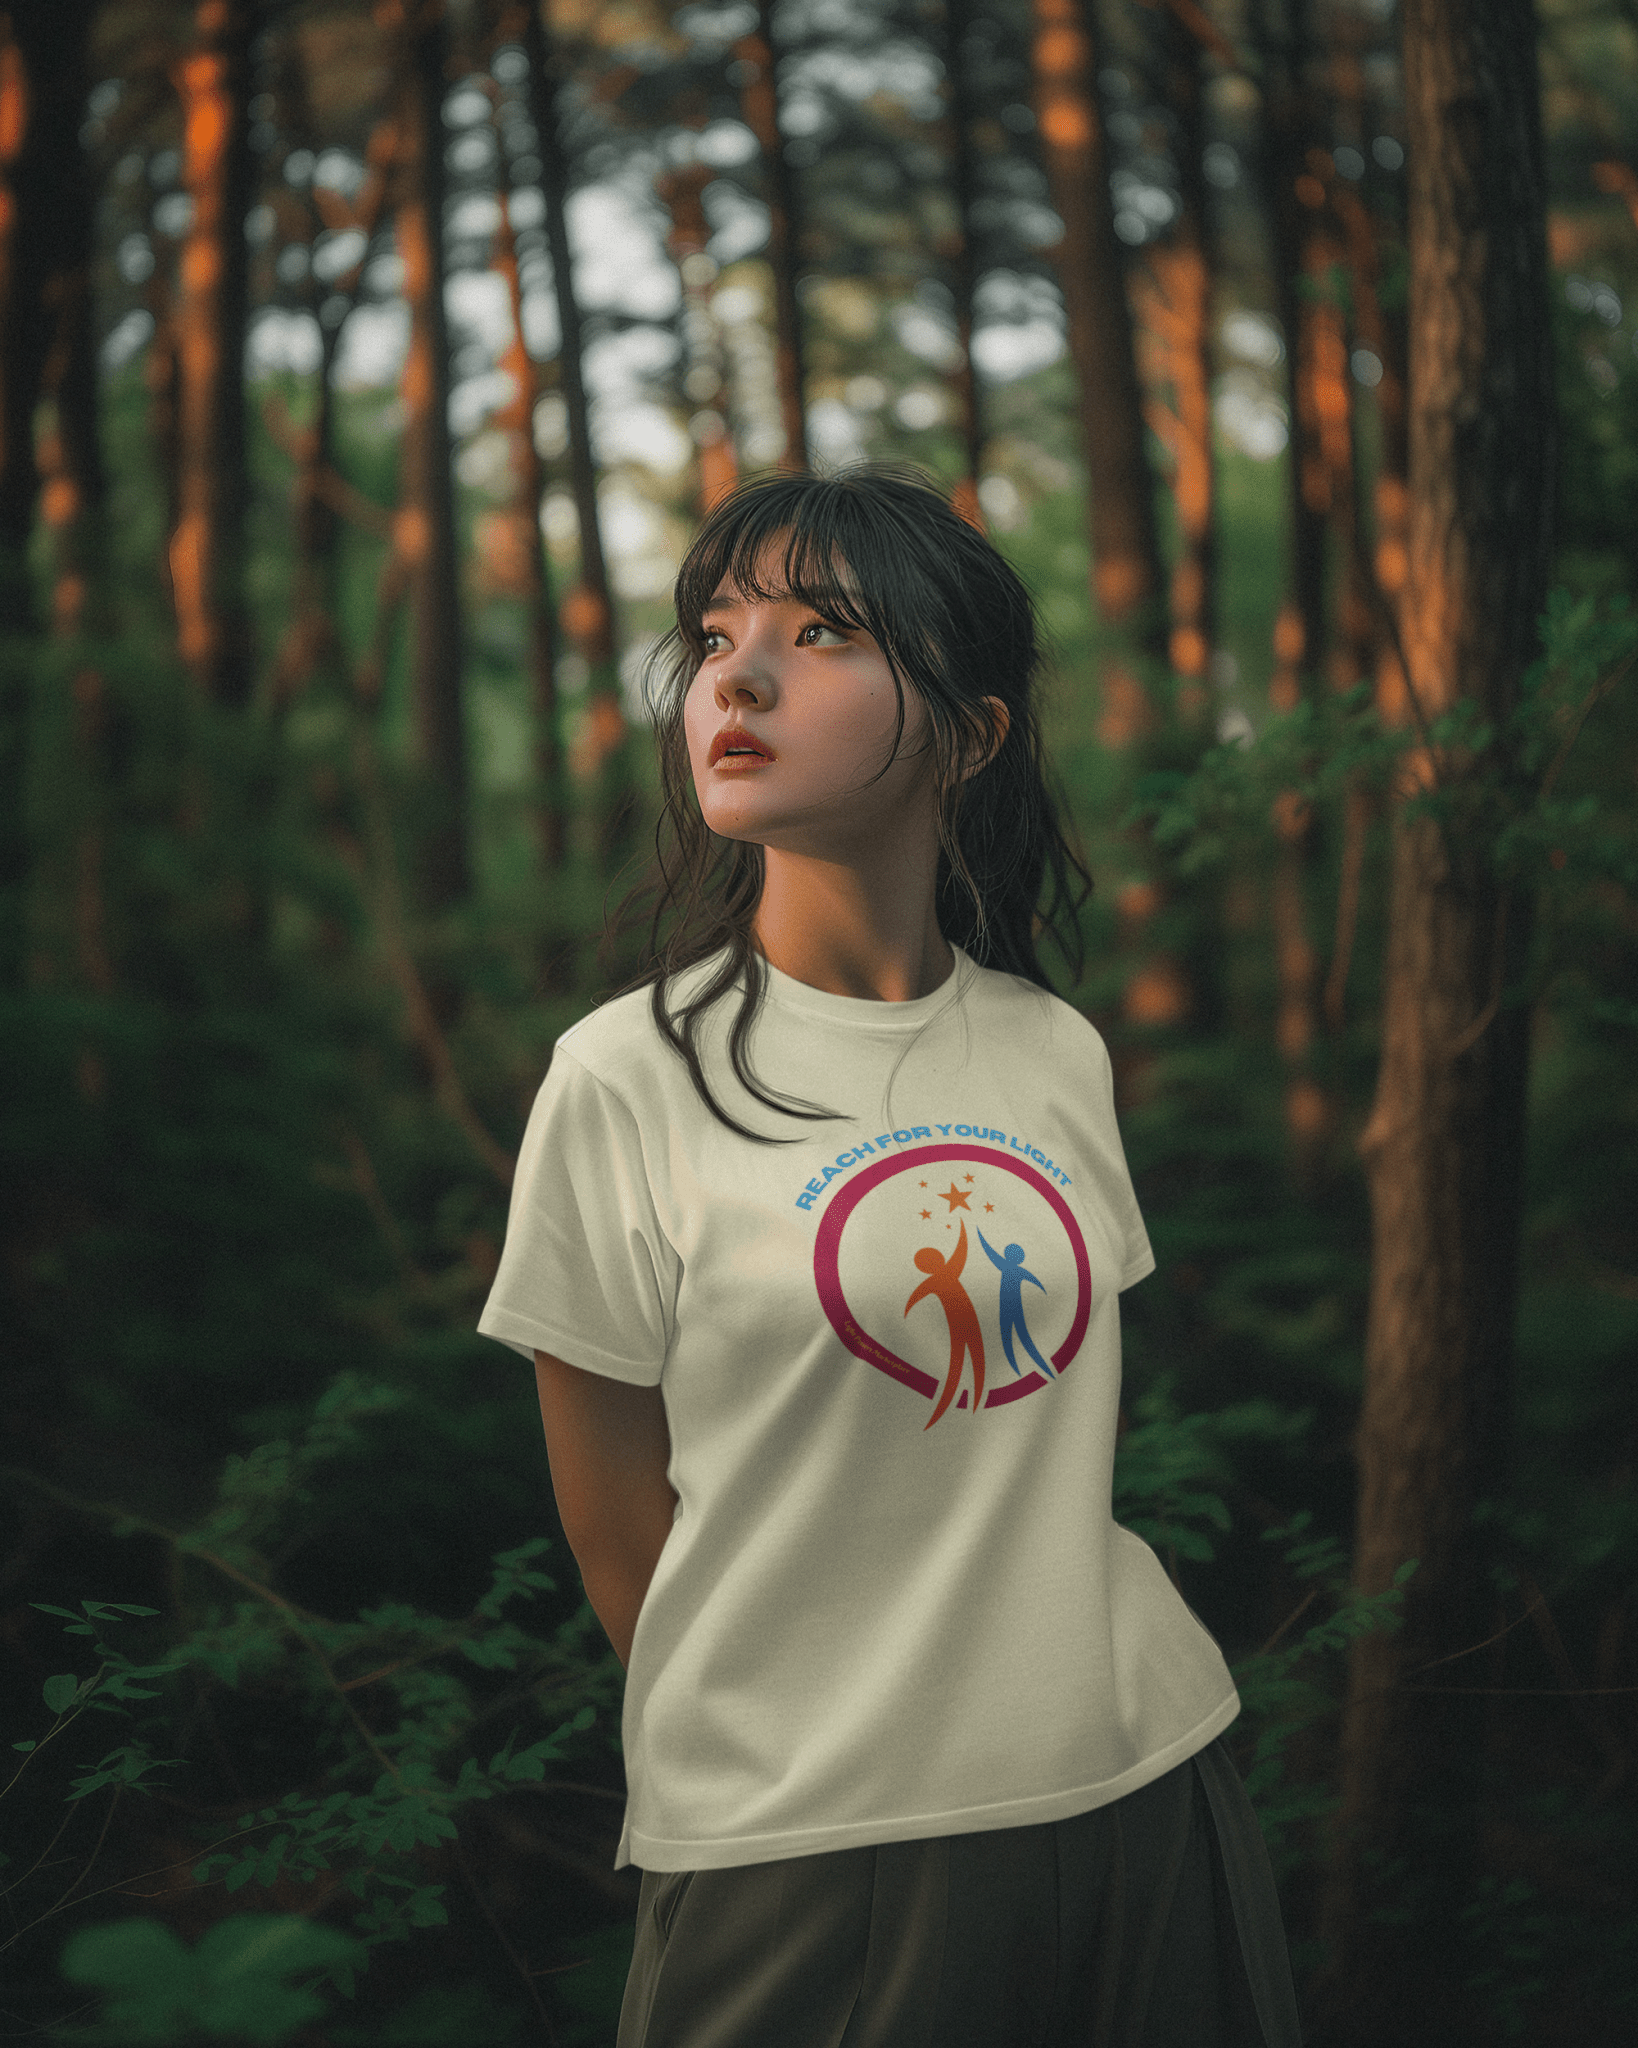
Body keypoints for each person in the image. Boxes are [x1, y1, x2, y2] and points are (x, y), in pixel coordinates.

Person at [478, 467, 1302, 2046]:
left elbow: (1043, 1445)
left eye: (821, 630)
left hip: (1139, 1767)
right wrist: (812, 1732)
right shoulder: (622, 1075)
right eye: (715, 633)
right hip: (809, 1830)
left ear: (972, 732)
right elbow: (613, 1534)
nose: (737, 671)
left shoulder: (1049, 1050)